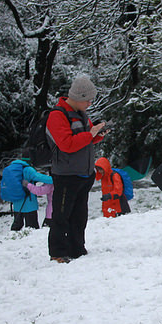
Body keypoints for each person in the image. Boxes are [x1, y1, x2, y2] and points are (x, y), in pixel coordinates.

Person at [46, 75, 107, 263]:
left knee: (79, 216)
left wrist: (98, 135)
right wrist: (91, 134)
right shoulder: (57, 115)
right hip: (66, 174)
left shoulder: (81, 114)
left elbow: (85, 139)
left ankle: (76, 248)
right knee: (61, 215)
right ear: (79, 97)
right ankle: (57, 252)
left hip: (84, 173)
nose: (90, 103)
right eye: (88, 100)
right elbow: (67, 144)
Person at [0, 156, 53, 231]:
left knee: (17, 225)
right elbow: (40, 177)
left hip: (16, 201)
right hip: (28, 203)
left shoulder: (13, 168)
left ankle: (13, 239)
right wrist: (56, 179)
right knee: (32, 226)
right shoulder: (27, 169)